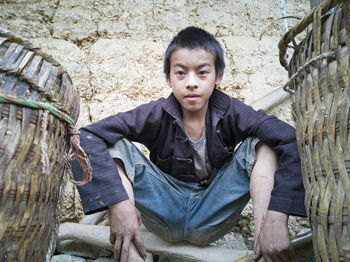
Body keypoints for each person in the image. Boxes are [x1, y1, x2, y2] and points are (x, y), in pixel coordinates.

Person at [72, 26, 306, 262]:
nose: (191, 83)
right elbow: (86, 137)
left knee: (263, 145)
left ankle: (266, 247)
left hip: (212, 214)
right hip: (164, 213)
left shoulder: (233, 111)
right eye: (181, 73)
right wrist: (119, 205)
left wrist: (278, 215)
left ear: (219, 75)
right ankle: (131, 257)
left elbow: (288, 139)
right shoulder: (155, 113)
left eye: (202, 72)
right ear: (168, 77)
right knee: (113, 144)